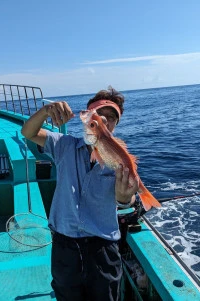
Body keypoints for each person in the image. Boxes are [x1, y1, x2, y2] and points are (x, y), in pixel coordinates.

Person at [21, 87, 139, 301]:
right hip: (65, 245)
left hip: (102, 246)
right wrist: (46, 111)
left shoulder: (117, 156)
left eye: (111, 118)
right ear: (87, 117)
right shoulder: (63, 145)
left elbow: (129, 196)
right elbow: (28, 132)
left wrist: (124, 198)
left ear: (114, 126)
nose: (104, 119)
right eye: (98, 114)